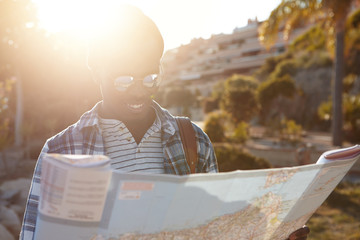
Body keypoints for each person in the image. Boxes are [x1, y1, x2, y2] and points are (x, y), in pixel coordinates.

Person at [20, 5, 309, 240]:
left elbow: (215, 233)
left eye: (150, 77)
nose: (139, 90)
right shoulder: (61, 151)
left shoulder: (194, 143)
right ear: (96, 70)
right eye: (124, 78)